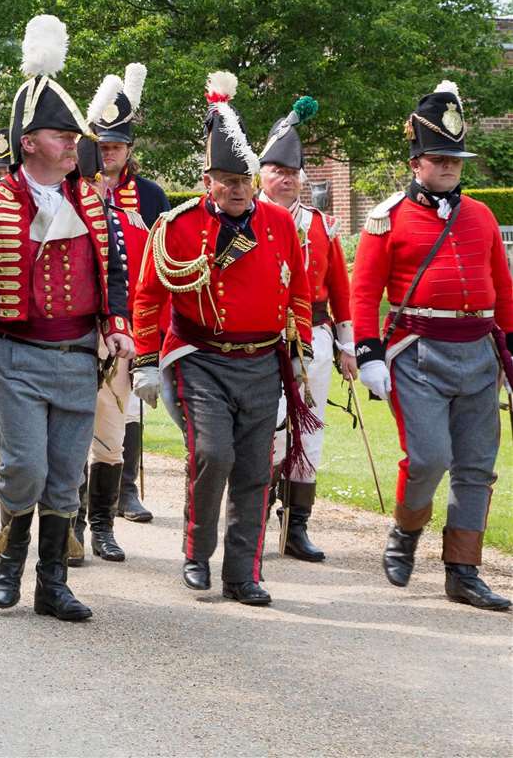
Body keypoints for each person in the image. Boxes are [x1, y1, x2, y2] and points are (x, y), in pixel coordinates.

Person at [0, 16, 132, 622]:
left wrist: (118, 321)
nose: (74, 145)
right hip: (16, 355)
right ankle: (9, 563)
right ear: (30, 142)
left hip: (78, 354)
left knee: (63, 478)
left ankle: (52, 584)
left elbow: (114, 272)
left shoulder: (90, 202)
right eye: (61, 135)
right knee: (23, 466)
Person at [131, 71, 314, 609]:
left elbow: (298, 291)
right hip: (200, 358)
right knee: (213, 453)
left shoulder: (280, 224)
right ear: (207, 180)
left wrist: (299, 350)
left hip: (261, 359)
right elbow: (147, 296)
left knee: (257, 468)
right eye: (226, 180)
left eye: (245, 180)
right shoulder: (177, 226)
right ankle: (196, 552)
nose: (237, 190)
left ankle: (242, 573)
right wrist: (145, 360)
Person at [353, 81, 512, 611]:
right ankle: (405, 532)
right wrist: (369, 354)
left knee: (475, 465)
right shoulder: (386, 216)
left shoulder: (482, 216)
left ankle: (462, 571)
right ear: (417, 160)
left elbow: (503, 290)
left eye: (456, 159)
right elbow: (364, 291)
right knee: (428, 457)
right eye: (439, 158)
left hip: (479, 353)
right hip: (419, 352)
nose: (449, 168)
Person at [256, 95, 356, 563]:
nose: (287, 178)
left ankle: (297, 525)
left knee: (307, 433)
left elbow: (340, 287)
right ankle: (254, 515)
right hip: (259, 338)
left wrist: (348, 346)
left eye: (293, 172)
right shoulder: (245, 220)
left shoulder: (322, 225)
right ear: (261, 174)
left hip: (313, 337)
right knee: (265, 429)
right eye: (277, 170)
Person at [83, 62, 167, 525]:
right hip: (91, 313)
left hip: (137, 313)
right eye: (103, 145)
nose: (109, 153)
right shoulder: (78, 189)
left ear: (129, 149)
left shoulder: (152, 195)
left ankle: (125, 489)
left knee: (128, 403)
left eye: (116, 146)